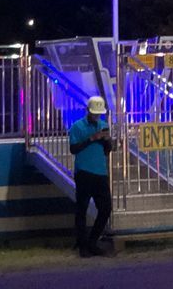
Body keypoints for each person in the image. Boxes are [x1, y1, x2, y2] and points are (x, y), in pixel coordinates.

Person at [68, 94, 114, 257]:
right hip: (84, 172)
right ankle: (83, 245)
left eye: (98, 113)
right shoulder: (77, 126)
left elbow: (108, 150)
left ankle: (92, 242)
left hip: (100, 172)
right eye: (94, 113)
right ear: (88, 111)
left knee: (106, 208)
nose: (97, 116)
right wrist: (92, 138)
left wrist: (107, 140)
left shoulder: (103, 125)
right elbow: (73, 149)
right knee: (81, 209)